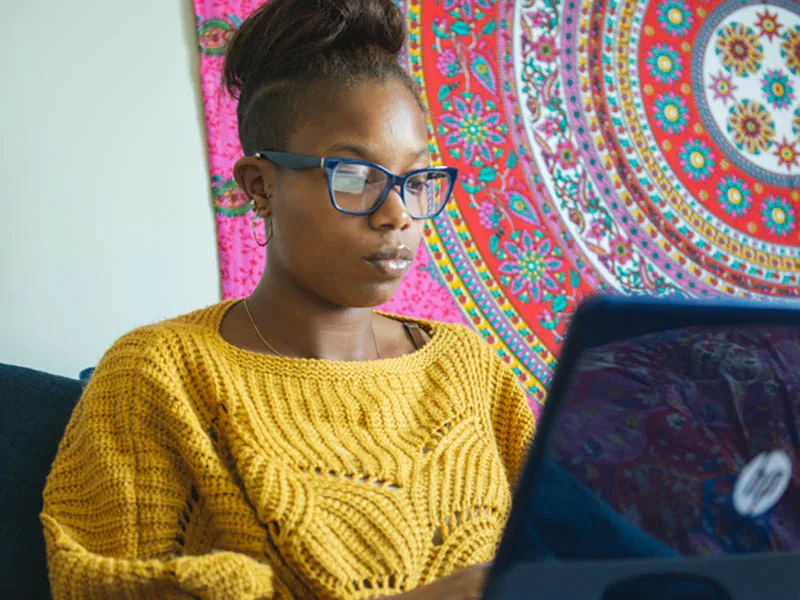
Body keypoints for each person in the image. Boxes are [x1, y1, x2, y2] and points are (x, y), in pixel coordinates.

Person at [41, 0, 535, 597]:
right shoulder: (160, 375)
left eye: (416, 179)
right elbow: (99, 586)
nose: (397, 214)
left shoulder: (469, 367)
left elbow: (567, 553)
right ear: (260, 185)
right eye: (354, 176)